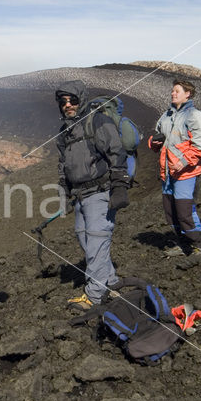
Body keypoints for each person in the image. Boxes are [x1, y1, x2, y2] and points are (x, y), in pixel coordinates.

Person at [55, 80, 131, 311]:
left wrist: (119, 186)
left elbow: (116, 153)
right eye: (63, 101)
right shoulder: (65, 132)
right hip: (80, 195)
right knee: (84, 239)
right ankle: (110, 281)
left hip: (100, 192)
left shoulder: (98, 121)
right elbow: (63, 165)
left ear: (82, 99)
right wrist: (63, 194)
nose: (68, 105)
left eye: (73, 100)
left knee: (97, 241)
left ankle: (95, 296)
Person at [149, 79, 201, 259]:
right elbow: (156, 137)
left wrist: (183, 161)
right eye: (172, 91)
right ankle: (183, 245)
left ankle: (199, 248)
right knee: (171, 212)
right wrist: (153, 142)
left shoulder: (194, 115)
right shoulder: (166, 115)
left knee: (185, 211)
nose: (173, 93)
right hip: (167, 172)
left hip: (186, 173)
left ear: (187, 93)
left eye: (177, 91)